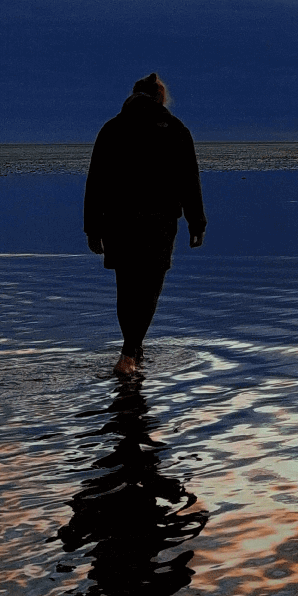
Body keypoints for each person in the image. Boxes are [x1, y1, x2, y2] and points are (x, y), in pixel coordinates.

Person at [84, 73, 206, 377]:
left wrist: (92, 227)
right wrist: (197, 222)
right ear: (161, 97)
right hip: (158, 222)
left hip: (118, 222)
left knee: (126, 288)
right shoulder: (176, 130)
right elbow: (189, 180)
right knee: (150, 286)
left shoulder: (112, 129)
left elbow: (95, 182)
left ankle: (133, 350)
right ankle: (128, 354)